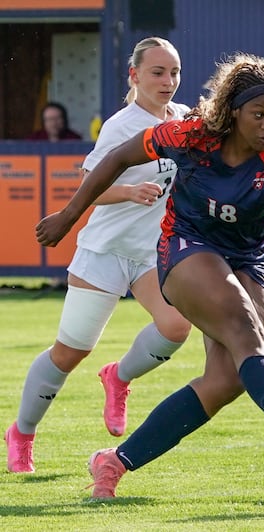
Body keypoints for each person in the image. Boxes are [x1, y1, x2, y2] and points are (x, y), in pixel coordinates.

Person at [35, 52, 264, 498]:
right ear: (232, 112)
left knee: (229, 378)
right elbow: (116, 158)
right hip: (185, 249)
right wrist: (70, 216)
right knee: (246, 333)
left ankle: (113, 463)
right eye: (258, 114)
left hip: (247, 260)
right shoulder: (191, 135)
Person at [5, 37, 192, 473]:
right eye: (157, 72)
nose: (168, 82)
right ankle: (22, 433)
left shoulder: (185, 118)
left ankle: (119, 377)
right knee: (70, 352)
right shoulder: (121, 126)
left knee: (176, 327)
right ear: (135, 76)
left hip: (150, 253)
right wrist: (128, 190)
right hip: (105, 251)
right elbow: (90, 186)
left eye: (174, 72)